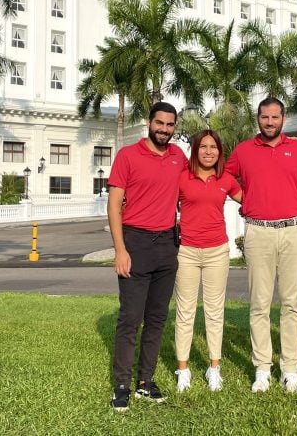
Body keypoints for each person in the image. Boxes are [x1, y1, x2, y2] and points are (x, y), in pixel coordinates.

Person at [225, 97, 297, 393]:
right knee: (259, 304)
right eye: (265, 117)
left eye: (275, 117)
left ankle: (290, 369)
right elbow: (226, 177)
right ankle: (262, 368)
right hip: (258, 232)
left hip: (292, 231)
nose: (270, 122)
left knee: (291, 304)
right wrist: (244, 199)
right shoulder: (243, 150)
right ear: (258, 118)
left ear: (283, 119)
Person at [107, 102, 188, 412]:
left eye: (170, 125)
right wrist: (120, 249)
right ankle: (122, 384)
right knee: (130, 318)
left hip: (167, 245)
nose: (164, 129)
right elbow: (114, 205)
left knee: (156, 318)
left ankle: (145, 382)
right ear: (149, 123)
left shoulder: (178, 157)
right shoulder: (128, 156)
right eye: (159, 123)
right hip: (135, 242)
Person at [174, 130, 242, 393]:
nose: (208, 151)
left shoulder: (225, 179)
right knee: (185, 312)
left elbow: (249, 199)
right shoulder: (182, 178)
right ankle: (183, 369)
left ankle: (214, 368)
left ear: (219, 151)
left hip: (217, 251)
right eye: (203, 146)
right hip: (187, 252)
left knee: (215, 311)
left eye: (213, 147)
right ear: (195, 150)